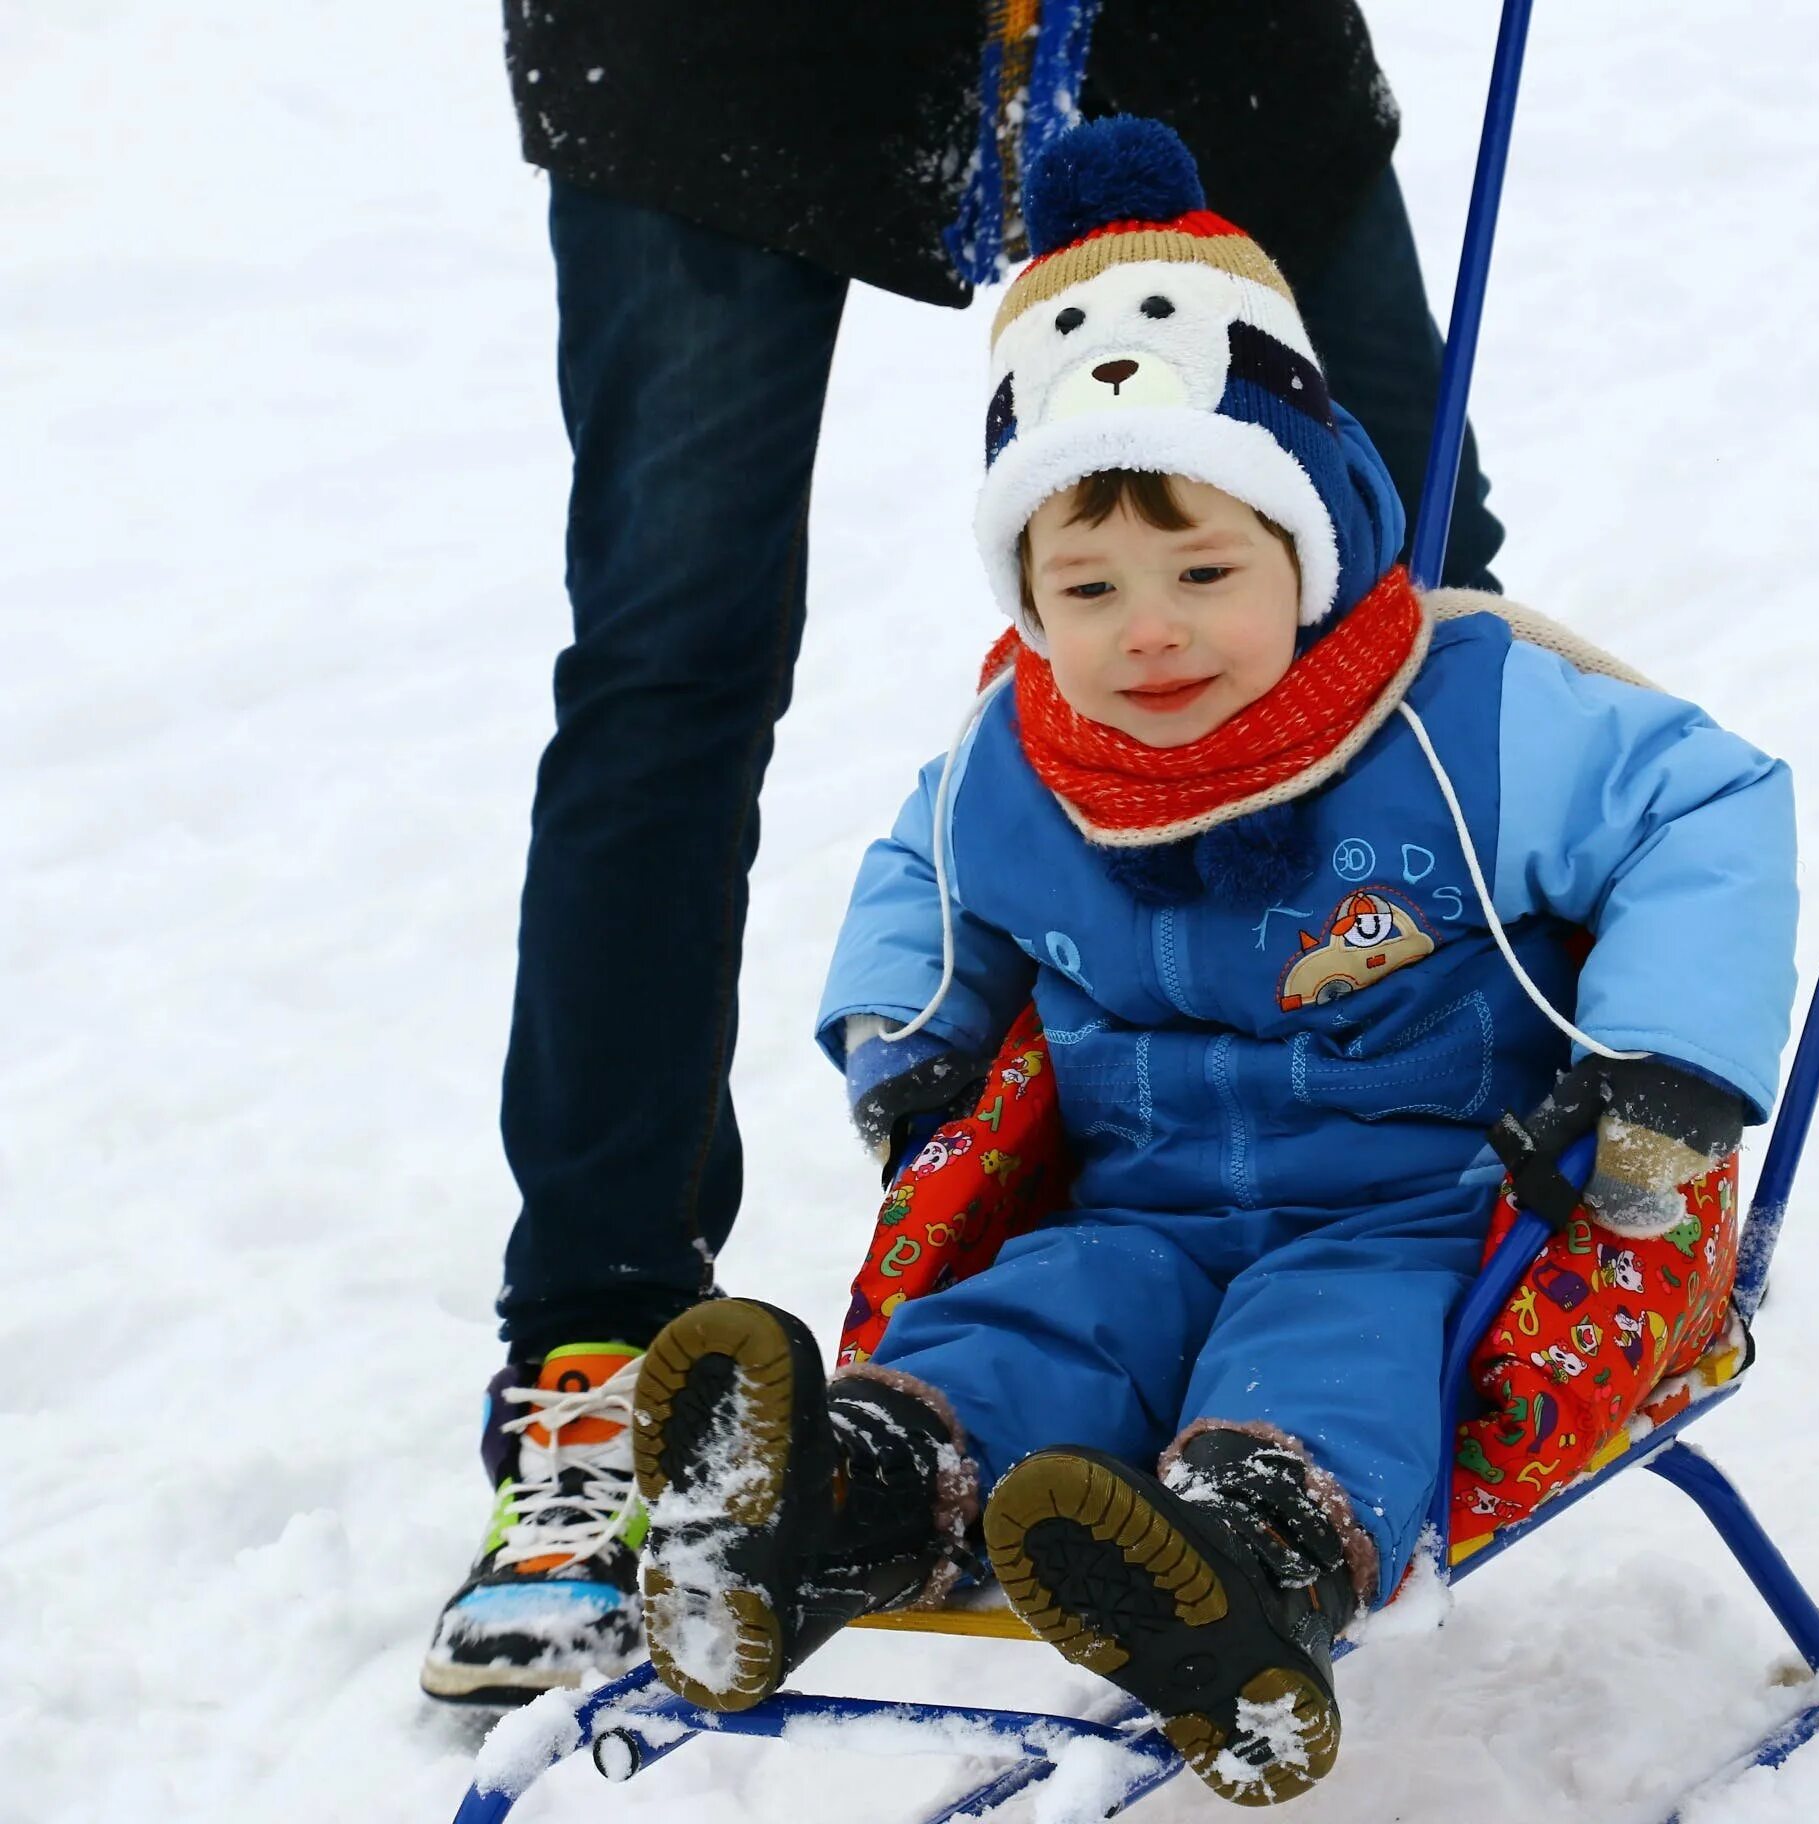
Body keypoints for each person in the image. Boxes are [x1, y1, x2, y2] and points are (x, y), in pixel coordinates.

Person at [623, 118, 1798, 1805]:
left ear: (1310, 547)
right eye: (1087, 584)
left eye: (1203, 569)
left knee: (1333, 1358)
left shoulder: (1461, 712)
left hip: (1419, 1206)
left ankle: (1246, 1567)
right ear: (1027, 594)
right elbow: (924, 877)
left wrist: (1665, 1056)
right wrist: (913, 1028)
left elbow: (1710, 803)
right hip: (1141, 1202)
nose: (1148, 628)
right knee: (1032, 1325)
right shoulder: (1022, 758)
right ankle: (838, 1499)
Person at [422, 1, 1507, 1705]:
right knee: (668, 659)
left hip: (1189, 29)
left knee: (1400, 571)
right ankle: (595, 1350)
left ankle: (1445, 1212)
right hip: (712, 55)